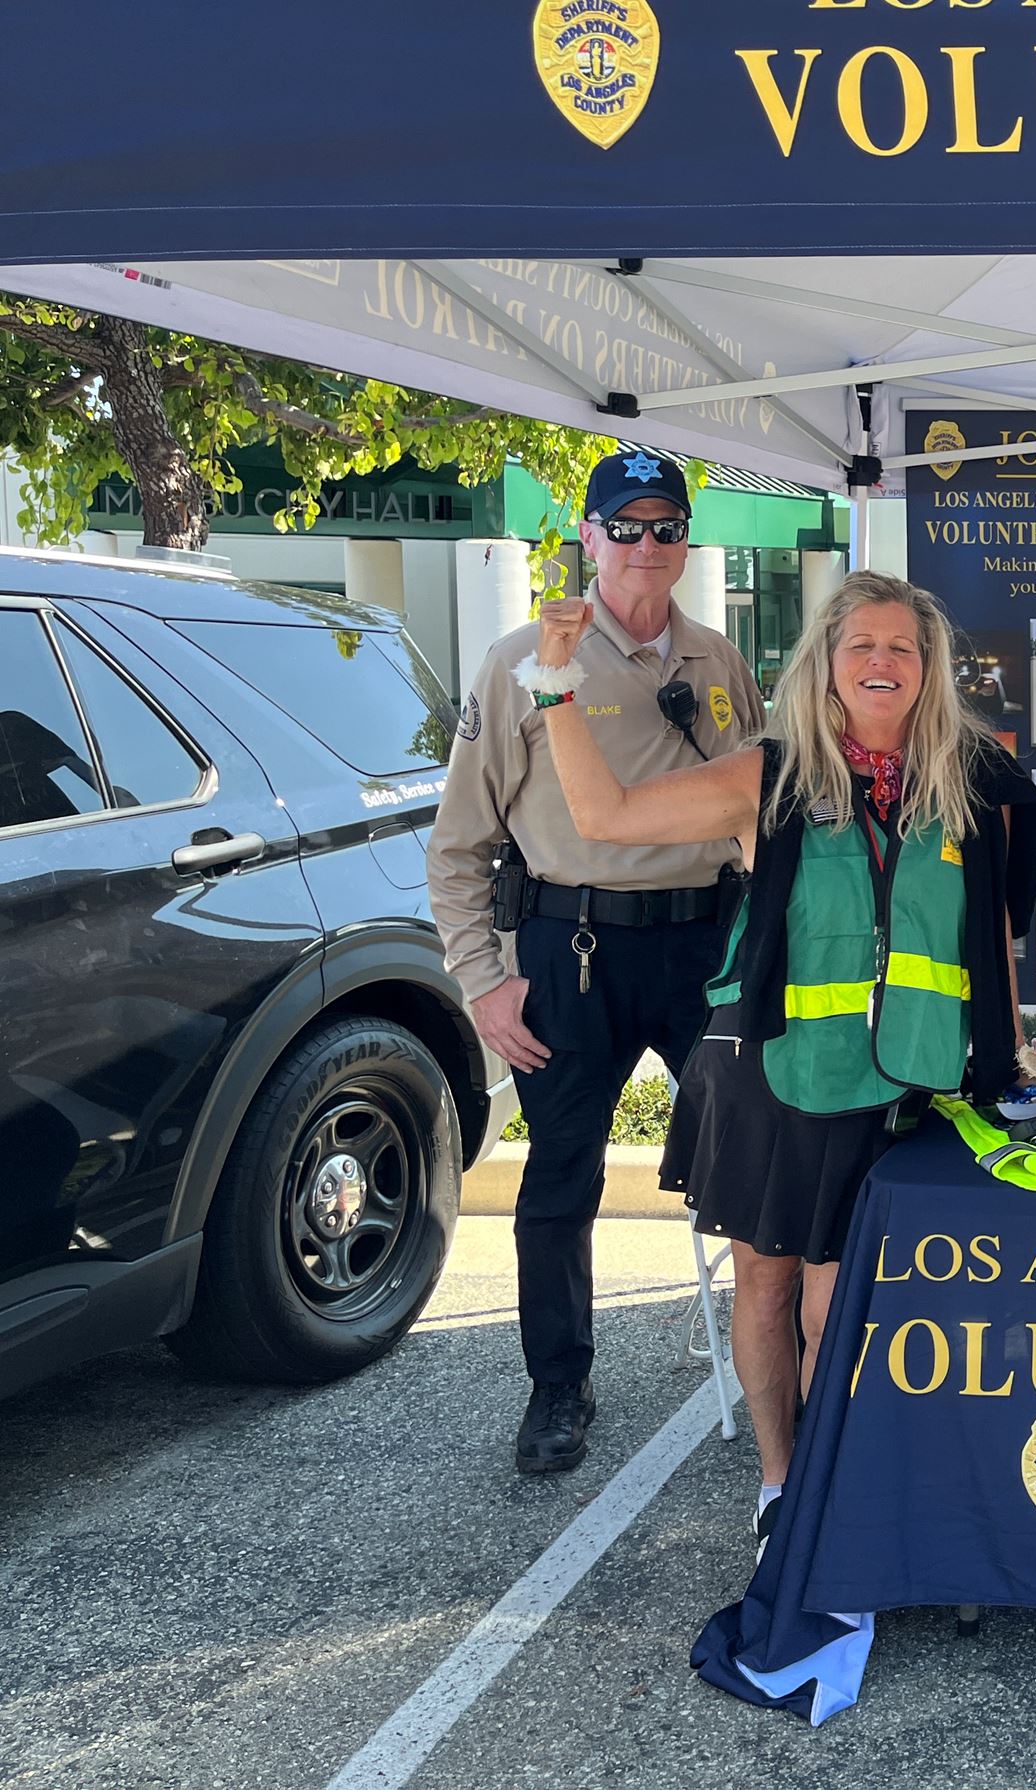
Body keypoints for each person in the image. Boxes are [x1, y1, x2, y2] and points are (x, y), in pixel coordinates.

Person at [532, 569, 1036, 1540]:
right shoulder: (771, 776)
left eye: (902, 647)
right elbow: (605, 816)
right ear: (825, 663)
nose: (882, 662)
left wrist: (1009, 1067)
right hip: (777, 1079)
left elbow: (993, 948)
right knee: (768, 1284)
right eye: (862, 645)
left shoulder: (974, 785)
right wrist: (551, 686)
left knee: (838, 1299)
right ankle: (783, 1486)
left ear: (930, 669)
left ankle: (833, 1483)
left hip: (904, 1091)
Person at [427, 449, 758, 1476]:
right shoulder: (525, 659)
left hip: (704, 943)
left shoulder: (719, 658)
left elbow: (753, 816)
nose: (645, 547)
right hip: (570, 949)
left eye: (665, 527)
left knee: (749, 1160)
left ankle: (774, 1358)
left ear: (685, 542)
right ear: (587, 533)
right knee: (561, 1176)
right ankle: (557, 1385)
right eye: (626, 526)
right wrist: (482, 979)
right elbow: (458, 842)